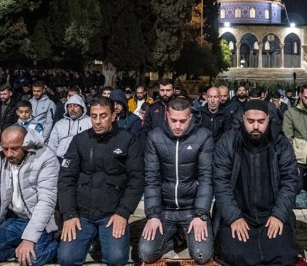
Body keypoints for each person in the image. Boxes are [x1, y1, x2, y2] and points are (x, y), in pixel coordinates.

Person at [57, 98, 144, 266]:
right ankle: (91, 238)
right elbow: (66, 178)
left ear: (113, 116)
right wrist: (69, 214)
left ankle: (103, 239)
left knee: (116, 258)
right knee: (66, 259)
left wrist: (123, 212)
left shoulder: (128, 140)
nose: (98, 121)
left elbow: (137, 179)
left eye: (103, 116)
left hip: (112, 213)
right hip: (82, 213)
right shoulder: (79, 140)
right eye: (94, 116)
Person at [213, 99, 300, 266]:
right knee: (234, 254)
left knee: (282, 254)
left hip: (271, 214)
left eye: (261, 121)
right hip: (239, 213)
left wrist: (278, 215)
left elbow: (290, 181)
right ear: (242, 119)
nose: (255, 126)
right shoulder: (228, 142)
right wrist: (234, 217)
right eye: (250, 121)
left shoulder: (280, 143)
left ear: (268, 119)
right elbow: (221, 183)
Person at [139, 98, 214, 264]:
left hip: (191, 208)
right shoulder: (155, 136)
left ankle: (183, 234)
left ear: (190, 118)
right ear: (167, 116)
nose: (177, 126)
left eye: (182, 121)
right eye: (173, 120)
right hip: (164, 209)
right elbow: (152, 178)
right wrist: (153, 215)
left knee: (202, 255)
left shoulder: (203, 136)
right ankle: (176, 239)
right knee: (146, 253)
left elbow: (206, 177)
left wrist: (201, 214)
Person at [0, 126, 60, 266]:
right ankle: (17, 250)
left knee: (32, 260)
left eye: (14, 148)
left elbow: (46, 202)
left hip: (41, 220)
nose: (9, 154)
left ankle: (57, 242)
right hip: (15, 219)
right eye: (5, 148)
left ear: (26, 144)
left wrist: (29, 239)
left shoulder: (45, 157)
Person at [46, 93, 91, 159]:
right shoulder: (59, 124)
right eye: (69, 106)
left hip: (82, 159)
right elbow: (52, 145)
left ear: (82, 107)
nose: (72, 109)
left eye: (75, 106)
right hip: (60, 158)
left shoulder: (90, 122)